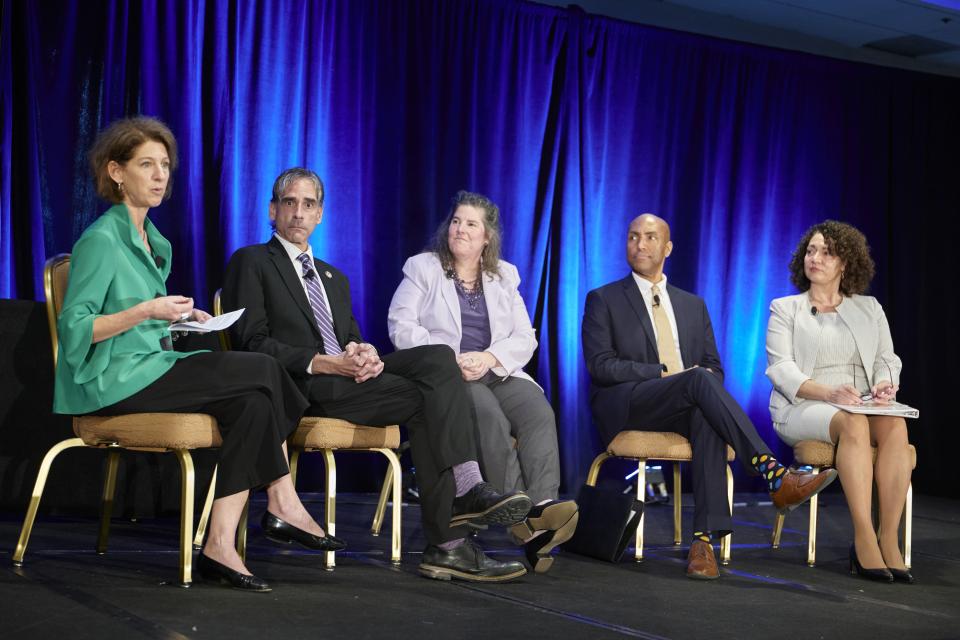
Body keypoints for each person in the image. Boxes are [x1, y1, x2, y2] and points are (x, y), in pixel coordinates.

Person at [55, 117, 333, 593]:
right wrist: (148, 309)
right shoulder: (101, 240)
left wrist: (178, 319)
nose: (160, 175)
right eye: (147, 164)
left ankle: (219, 545)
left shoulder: (150, 240)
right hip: (113, 381)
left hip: (150, 366)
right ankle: (282, 495)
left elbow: (141, 323)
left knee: (254, 403)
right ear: (116, 172)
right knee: (264, 368)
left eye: (165, 165)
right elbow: (77, 328)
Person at [222, 168, 533, 583]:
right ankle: (454, 529)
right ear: (272, 210)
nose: (299, 212)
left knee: (437, 363)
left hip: (349, 378)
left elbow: (349, 337)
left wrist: (362, 352)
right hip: (302, 384)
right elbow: (251, 342)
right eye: (290, 203)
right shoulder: (253, 261)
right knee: (434, 397)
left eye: (309, 204)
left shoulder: (333, 277)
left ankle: (459, 511)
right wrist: (324, 362)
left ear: (320, 215)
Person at [581, 213, 837, 580]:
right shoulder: (603, 299)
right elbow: (601, 366)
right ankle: (772, 473)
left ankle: (702, 542)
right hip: (630, 403)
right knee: (698, 383)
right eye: (633, 237)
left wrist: (693, 380)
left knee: (707, 411)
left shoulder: (691, 305)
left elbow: (715, 368)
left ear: (667, 247)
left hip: (684, 403)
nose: (640, 244)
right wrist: (665, 374)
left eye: (650, 237)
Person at [387, 190, 578, 573]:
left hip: (497, 370)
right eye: (456, 221)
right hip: (450, 379)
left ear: (487, 236)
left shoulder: (504, 276)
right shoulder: (423, 268)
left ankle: (539, 510)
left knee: (538, 410)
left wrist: (490, 357)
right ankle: (513, 511)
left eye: (471, 224)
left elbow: (526, 336)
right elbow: (400, 326)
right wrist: (448, 360)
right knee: (488, 413)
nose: (460, 229)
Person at [766, 220, 913, 583]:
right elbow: (781, 369)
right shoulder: (786, 308)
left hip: (860, 402)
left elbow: (887, 358)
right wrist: (829, 393)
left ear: (845, 263)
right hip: (802, 406)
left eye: (827, 252)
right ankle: (863, 537)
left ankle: (888, 539)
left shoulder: (869, 308)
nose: (815, 258)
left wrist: (883, 384)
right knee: (852, 422)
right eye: (811, 251)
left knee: (895, 424)